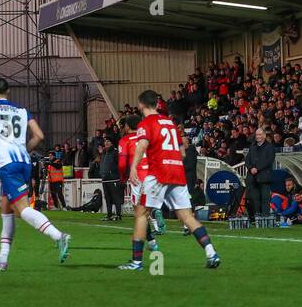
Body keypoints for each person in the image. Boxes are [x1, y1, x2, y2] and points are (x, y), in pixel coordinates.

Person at [120, 89, 219, 271]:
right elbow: (181, 152)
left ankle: (136, 262)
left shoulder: (146, 123)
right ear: (157, 104)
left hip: (158, 173)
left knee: (141, 214)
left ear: (141, 104)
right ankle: (211, 253)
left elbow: (142, 145)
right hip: (177, 172)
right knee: (187, 216)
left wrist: (133, 167)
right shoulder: (170, 123)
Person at [0, 77, 71, 271]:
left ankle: (59, 236)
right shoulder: (22, 111)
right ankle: (2, 259)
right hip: (24, 162)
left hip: (7, 164)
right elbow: (39, 135)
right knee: (6, 209)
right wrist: (25, 149)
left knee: (22, 209)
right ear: (9, 92)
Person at [243, 126, 276, 222]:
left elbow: (269, 161)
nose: (258, 136)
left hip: (264, 177)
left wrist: (257, 168)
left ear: (264, 136)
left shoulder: (270, 147)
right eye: (257, 134)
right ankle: (257, 218)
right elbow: (247, 160)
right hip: (253, 178)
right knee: (255, 199)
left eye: (260, 134)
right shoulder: (252, 146)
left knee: (265, 199)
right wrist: (250, 168)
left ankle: (265, 218)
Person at [98, 134, 122, 220]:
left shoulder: (115, 152)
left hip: (113, 178)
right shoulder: (104, 153)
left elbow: (119, 164)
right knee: (107, 198)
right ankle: (109, 214)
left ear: (112, 143)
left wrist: (113, 172)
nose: (106, 143)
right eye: (105, 141)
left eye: (108, 141)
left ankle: (118, 215)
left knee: (116, 197)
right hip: (105, 178)